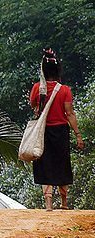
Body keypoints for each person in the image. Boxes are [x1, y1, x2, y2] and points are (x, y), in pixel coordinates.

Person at [29, 48, 84, 211]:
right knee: (62, 164)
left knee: (45, 164)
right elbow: (70, 114)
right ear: (58, 69)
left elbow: (34, 106)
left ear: (43, 71)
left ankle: (48, 204)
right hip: (61, 132)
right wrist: (78, 135)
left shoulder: (37, 88)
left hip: (43, 131)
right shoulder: (65, 90)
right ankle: (64, 203)